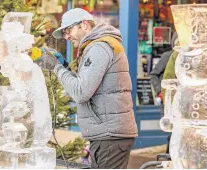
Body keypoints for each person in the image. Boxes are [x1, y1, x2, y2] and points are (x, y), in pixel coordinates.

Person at [30, 8, 138, 169]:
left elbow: (81, 92)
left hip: (110, 135)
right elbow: (87, 84)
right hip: (108, 134)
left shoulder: (99, 47)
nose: (66, 37)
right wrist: (64, 66)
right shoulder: (98, 45)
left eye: (68, 30)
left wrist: (56, 68)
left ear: (85, 25)